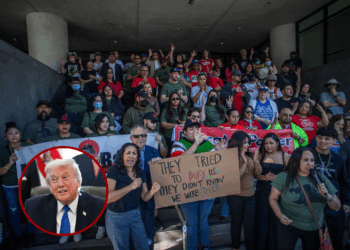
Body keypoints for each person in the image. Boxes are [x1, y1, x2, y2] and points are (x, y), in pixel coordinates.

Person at [269, 147, 340, 250]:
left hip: (313, 227)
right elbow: (273, 198)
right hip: (289, 225)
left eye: (312, 160)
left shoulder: (320, 178)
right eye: (306, 160)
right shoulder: (284, 177)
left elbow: (337, 207)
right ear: (296, 161)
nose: (310, 164)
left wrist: (328, 196)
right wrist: (280, 215)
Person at [24, 159, 105, 234]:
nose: (60, 184)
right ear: (49, 185)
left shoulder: (99, 206)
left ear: (78, 182)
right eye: (54, 179)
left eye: (65, 177)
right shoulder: (32, 207)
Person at [170, 119, 216, 250]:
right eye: (191, 129)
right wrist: (196, 144)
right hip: (187, 192)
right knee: (192, 223)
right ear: (184, 132)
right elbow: (177, 162)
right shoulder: (179, 144)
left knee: (203, 222)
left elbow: (216, 165)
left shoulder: (208, 144)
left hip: (208, 190)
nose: (195, 132)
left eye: (197, 129)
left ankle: (205, 246)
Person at [106, 143, 160, 250]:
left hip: (135, 214)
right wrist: (130, 187)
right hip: (117, 217)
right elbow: (108, 197)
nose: (131, 156)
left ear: (137, 157)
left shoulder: (140, 173)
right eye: (128, 153)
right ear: (122, 155)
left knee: (143, 246)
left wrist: (153, 191)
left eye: (134, 154)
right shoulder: (114, 171)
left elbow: (144, 197)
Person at [312, 127, 350, 250]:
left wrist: (346, 201)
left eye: (327, 139)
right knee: (311, 242)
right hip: (311, 203)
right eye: (320, 138)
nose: (323, 141)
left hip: (333, 203)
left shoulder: (338, 159)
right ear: (316, 138)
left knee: (335, 241)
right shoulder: (307, 155)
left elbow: (343, 182)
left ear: (334, 141)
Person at [226, 131, 262, 250]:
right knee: (236, 223)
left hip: (250, 195)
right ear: (238, 143)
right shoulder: (230, 156)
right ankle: (235, 247)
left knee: (249, 225)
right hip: (235, 196)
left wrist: (256, 160)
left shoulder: (250, 154)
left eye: (248, 142)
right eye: (245, 142)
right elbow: (234, 178)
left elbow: (257, 173)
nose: (247, 145)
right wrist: (243, 163)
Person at [0, 122, 33, 248]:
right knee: (13, 211)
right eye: (10, 134)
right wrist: (9, 163)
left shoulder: (27, 146)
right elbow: (1, 172)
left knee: (29, 209)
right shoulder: (3, 151)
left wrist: (26, 152)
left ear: (20, 135)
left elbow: (41, 159)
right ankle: (18, 237)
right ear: (6, 136)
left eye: (16, 133)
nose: (14, 136)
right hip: (10, 185)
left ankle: (31, 234)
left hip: (26, 184)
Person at [254, 133, 289, 250]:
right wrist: (265, 177)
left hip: (279, 193)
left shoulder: (286, 156)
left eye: (271, 143)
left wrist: (281, 177)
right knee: (262, 220)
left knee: (276, 220)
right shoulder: (260, 155)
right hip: (263, 191)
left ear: (277, 143)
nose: (268, 146)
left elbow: (291, 175)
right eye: (266, 143)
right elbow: (255, 175)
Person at [129, 125, 161, 248]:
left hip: (149, 200)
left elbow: (160, 177)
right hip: (131, 201)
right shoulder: (125, 153)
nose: (141, 138)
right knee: (133, 236)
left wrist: (158, 165)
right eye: (137, 136)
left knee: (149, 234)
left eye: (143, 135)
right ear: (131, 138)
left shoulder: (153, 151)